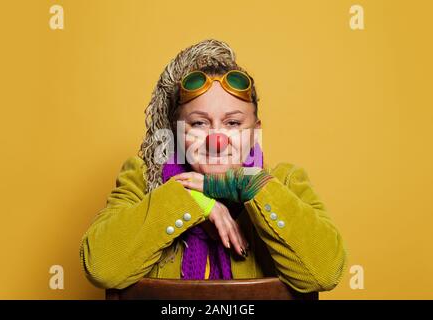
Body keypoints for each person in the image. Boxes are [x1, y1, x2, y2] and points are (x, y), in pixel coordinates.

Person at [79, 39, 347, 293]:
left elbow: (324, 273)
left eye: (232, 123)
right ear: (177, 131)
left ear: (255, 132)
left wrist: (247, 184)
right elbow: (102, 267)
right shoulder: (143, 177)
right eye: (199, 123)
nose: (216, 141)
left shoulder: (286, 182)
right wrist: (195, 199)